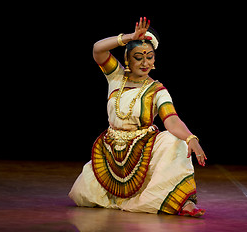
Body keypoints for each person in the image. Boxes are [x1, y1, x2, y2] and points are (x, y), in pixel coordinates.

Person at [69, 17, 207, 217]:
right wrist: (129, 37)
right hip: (110, 149)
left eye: (149, 57)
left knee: (173, 141)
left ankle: (183, 202)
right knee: (84, 196)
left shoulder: (157, 89)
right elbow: (98, 49)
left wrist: (190, 137)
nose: (145, 63)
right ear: (127, 59)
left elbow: (172, 120)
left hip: (141, 149)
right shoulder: (115, 75)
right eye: (138, 57)